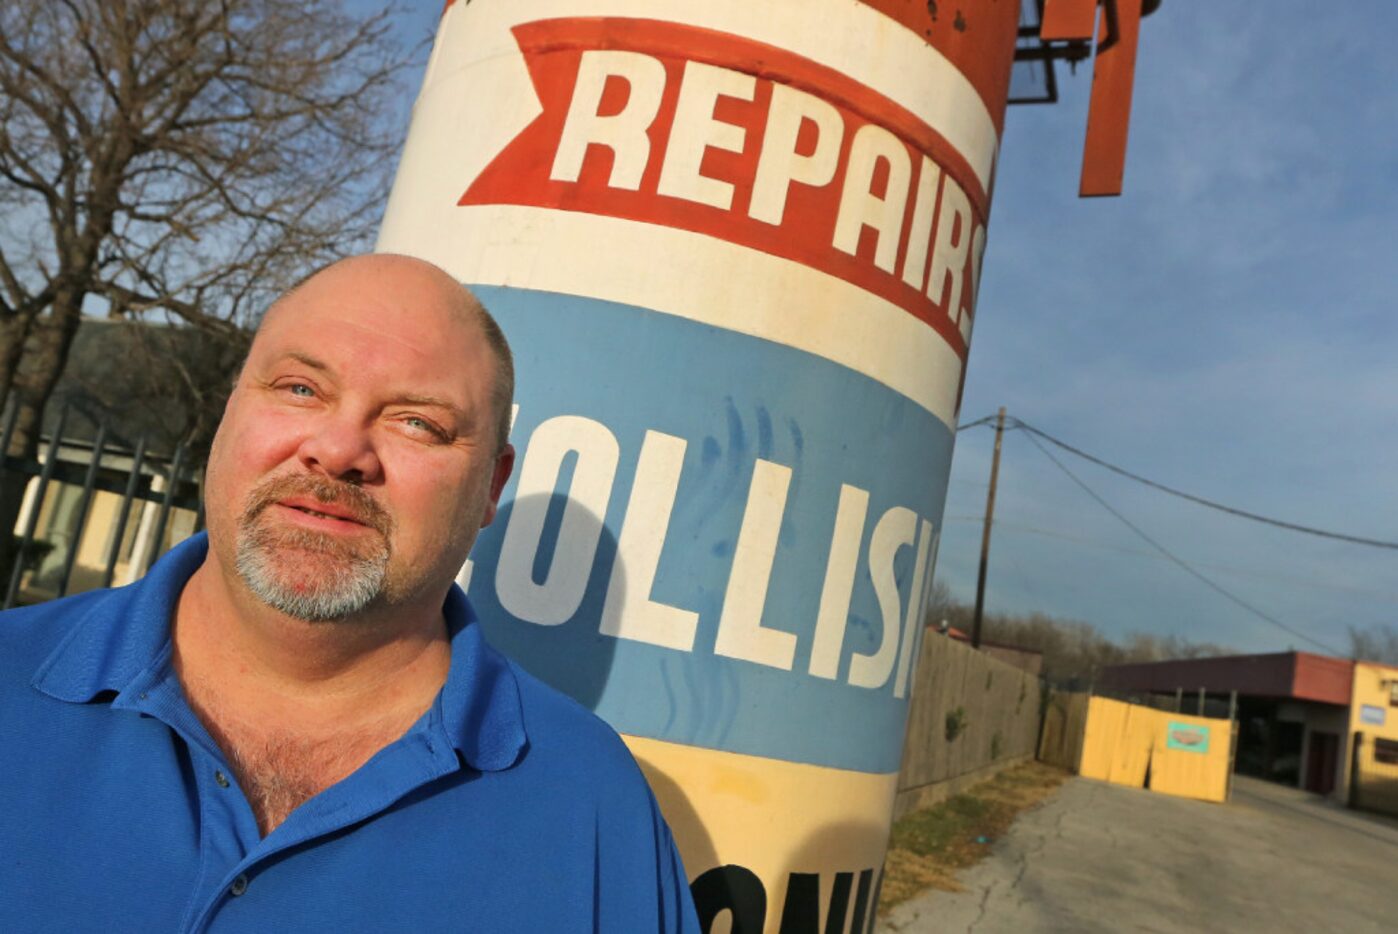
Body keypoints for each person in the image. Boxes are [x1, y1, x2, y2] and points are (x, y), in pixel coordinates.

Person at [0, 254, 701, 932]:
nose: (338, 451)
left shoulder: (594, 809)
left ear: (490, 486)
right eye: (301, 389)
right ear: (229, 413)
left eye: (417, 422)